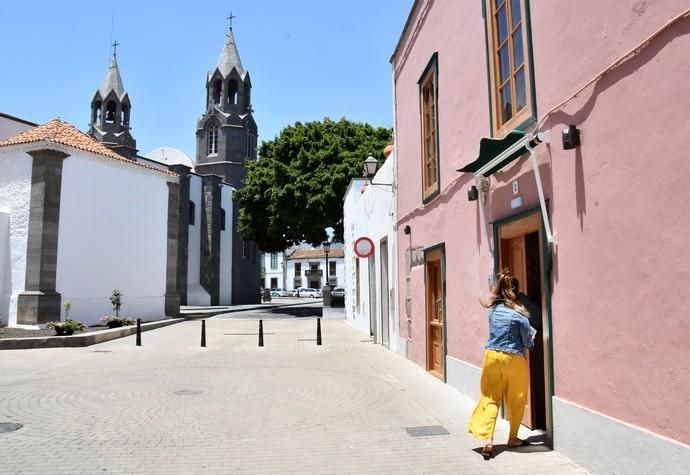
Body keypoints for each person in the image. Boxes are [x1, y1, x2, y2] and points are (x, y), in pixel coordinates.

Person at [468, 270, 536, 459]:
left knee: (490, 397)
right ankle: (513, 438)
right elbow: (527, 343)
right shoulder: (521, 315)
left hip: (491, 356)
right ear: (516, 291)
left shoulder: (493, 311)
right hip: (513, 359)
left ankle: (488, 440)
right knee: (517, 399)